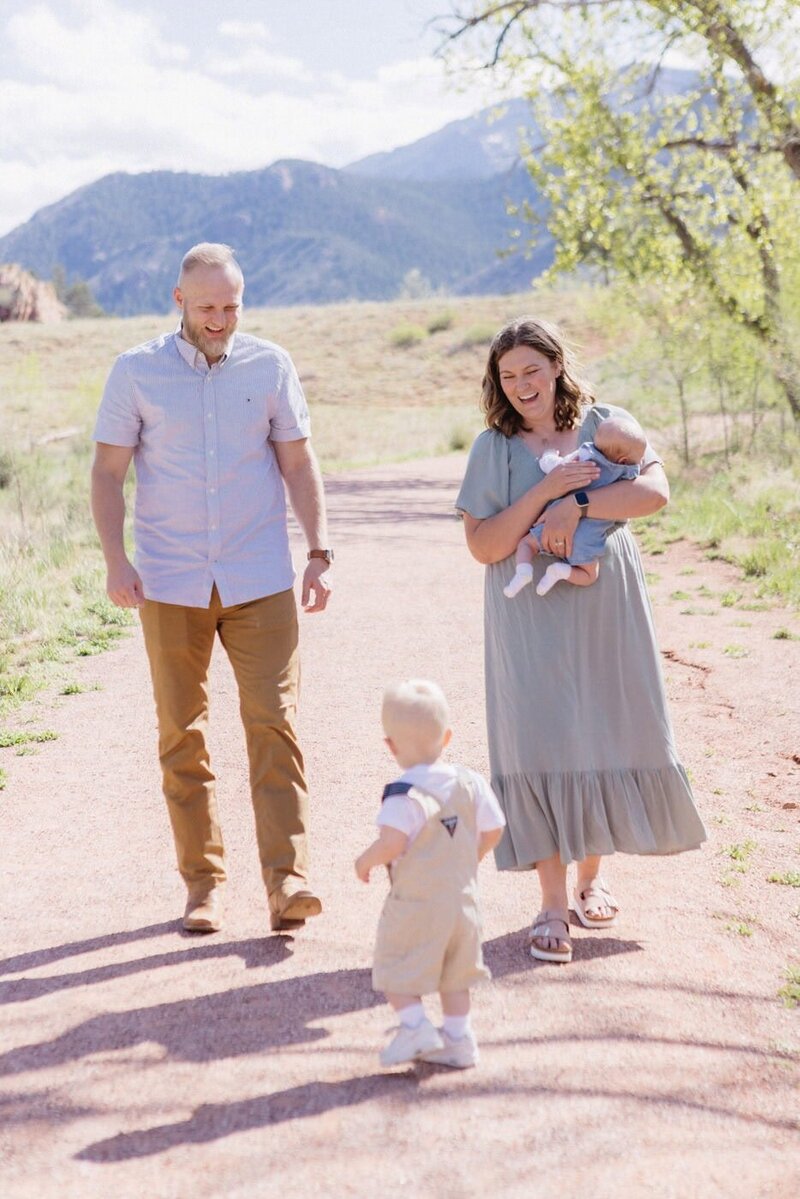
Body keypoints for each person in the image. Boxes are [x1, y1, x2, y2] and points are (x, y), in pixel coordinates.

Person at [91, 242, 332, 936]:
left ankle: (288, 880)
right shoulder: (135, 372)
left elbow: (298, 460)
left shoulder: (271, 364)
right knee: (182, 734)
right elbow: (107, 473)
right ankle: (204, 884)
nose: (221, 318)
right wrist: (115, 560)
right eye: (207, 307)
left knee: (275, 725)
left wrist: (318, 551)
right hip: (169, 580)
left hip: (260, 576)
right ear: (179, 302)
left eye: (231, 304)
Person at [455, 317, 706, 964]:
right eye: (508, 376)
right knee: (540, 737)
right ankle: (550, 899)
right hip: (528, 619)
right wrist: (547, 492)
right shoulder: (493, 446)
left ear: (558, 365)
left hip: (605, 603)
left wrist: (582, 508)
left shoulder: (607, 424)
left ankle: (591, 878)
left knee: (605, 726)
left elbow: (654, 492)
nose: (521, 386)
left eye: (531, 371)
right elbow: (485, 545)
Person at [355, 680, 505, 1068]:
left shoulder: (402, 795)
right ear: (448, 736)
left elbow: (390, 843)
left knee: (394, 965)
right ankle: (458, 1038)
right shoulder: (470, 782)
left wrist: (366, 861)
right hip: (463, 901)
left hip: (417, 904)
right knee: (457, 976)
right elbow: (494, 828)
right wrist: (472, 857)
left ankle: (414, 1024)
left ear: (390, 745)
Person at [504, 414, 647, 598]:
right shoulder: (629, 472)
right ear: (624, 460)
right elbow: (636, 493)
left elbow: (555, 467)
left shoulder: (585, 458)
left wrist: (548, 455)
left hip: (555, 521)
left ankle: (523, 572)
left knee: (526, 544)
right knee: (589, 574)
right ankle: (560, 572)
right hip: (589, 535)